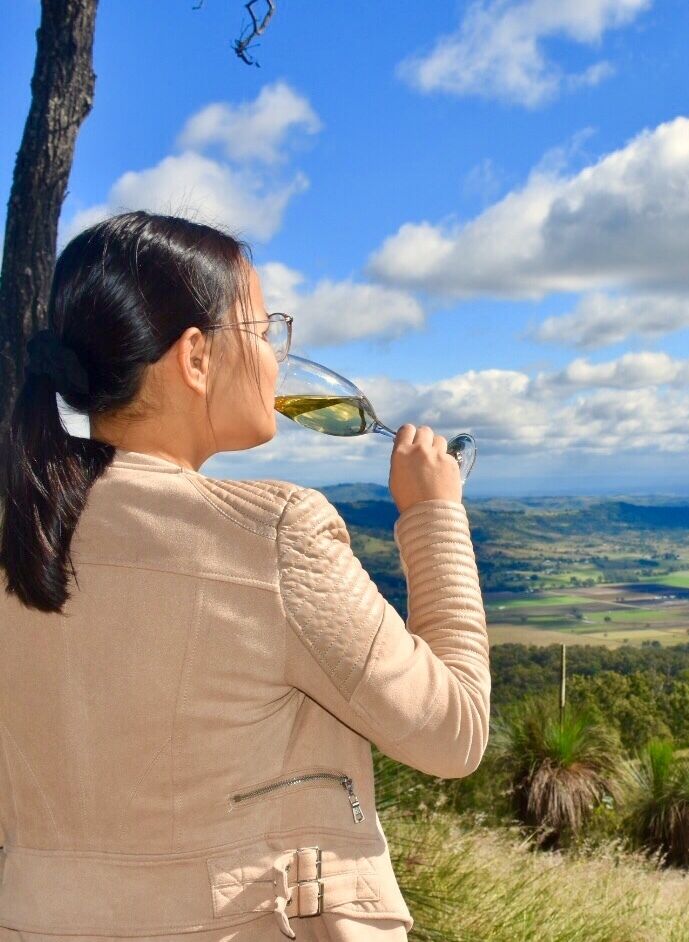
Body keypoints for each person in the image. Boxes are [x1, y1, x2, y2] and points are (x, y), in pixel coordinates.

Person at [0, 211, 491, 940]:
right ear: (196, 357)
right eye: (264, 333)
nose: (276, 362)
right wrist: (433, 515)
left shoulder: (24, 525)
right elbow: (453, 733)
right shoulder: (273, 536)